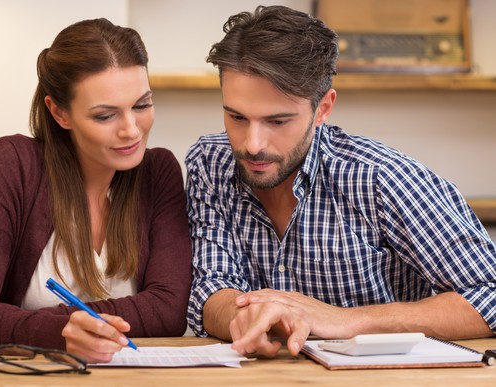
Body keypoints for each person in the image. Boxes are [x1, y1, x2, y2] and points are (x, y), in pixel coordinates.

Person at [185, 5, 496, 358]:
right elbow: (211, 287)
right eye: (237, 116)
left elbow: (490, 293)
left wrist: (347, 320)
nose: (252, 144)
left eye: (278, 121)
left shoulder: (381, 177)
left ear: (323, 109)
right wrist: (242, 317)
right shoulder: (209, 163)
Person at [0, 18, 192, 363]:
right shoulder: (12, 164)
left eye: (142, 105)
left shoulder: (158, 172)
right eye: (105, 116)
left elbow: (169, 311)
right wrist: (58, 332)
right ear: (59, 113)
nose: (132, 130)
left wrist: (13, 322)